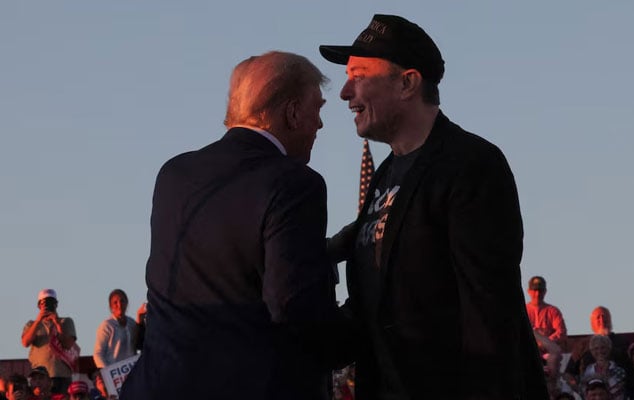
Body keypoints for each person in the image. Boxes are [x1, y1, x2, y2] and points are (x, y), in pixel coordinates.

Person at [320, 14, 548, 399]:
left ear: (407, 82)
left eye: (359, 75)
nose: (344, 92)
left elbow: (489, 312)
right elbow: (369, 310)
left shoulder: (471, 164)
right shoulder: (386, 176)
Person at [120, 51, 347, 400]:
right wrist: (365, 330)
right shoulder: (295, 184)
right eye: (317, 109)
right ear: (292, 112)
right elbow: (293, 307)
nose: (320, 124)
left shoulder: (174, 175)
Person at [21, 290, 78, 395]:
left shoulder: (66, 321)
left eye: (50, 302)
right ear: (39, 306)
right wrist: (38, 320)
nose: (47, 306)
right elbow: (25, 342)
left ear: (56, 304)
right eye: (43, 303)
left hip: (62, 376)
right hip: (39, 377)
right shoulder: (31, 324)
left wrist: (56, 322)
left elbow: (68, 344)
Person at [567, 306, 631, 379]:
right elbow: (569, 373)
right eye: (598, 317)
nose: (602, 320)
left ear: (610, 319)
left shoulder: (622, 341)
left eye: (604, 316)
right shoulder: (582, 345)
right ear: (592, 323)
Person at [92, 289, 146, 369]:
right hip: (113, 372)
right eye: (115, 303)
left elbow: (140, 344)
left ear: (127, 303)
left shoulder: (131, 323)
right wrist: (106, 373)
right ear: (111, 306)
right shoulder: (107, 326)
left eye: (122, 301)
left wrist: (140, 322)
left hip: (131, 371)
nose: (119, 305)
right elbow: (98, 353)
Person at [579, 335, 626, 400]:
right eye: (596, 348)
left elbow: (619, 394)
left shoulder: (619, 370)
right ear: (592, 352)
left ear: (609, 349)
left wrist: (606, 373)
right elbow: (583, 391)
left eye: (603, 347)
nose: (600, 351)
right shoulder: (588, 370)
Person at [526, 276, 568, 344]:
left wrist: (545, 343)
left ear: (545, 291)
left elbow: (561, 332)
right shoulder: (523, 311)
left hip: (549, 351)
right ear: (529, 291)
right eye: (534, 290)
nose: (537, 294)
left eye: (540, 291)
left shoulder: (553, 311)